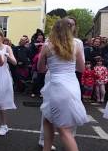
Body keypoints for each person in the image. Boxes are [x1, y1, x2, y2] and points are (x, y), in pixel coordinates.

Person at [38, 18, 88, 151]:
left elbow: (41, 69)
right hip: (72, 85)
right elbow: (81, 69)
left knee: (63, 129)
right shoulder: (76, 45)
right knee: (48, 119)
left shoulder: (48, 46)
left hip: (57, 87)